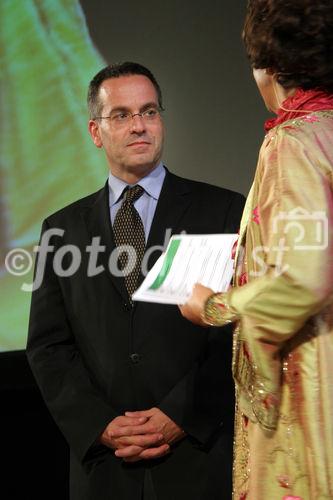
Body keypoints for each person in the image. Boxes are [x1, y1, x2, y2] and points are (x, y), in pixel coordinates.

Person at [26, 62, 245, 500]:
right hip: (105, 468)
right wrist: (100, 425)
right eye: (121, 115)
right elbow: (49, 346)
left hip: (198, 459)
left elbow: (236, 332)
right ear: (95, 131)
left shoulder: (221, 211)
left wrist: (180, 413)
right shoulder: (61, 229)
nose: (139, 126)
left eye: (149, 111)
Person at [180, 1, 333, 499]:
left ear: (268, 65)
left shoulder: (294, 141)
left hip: (314, 371)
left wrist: (216, 306)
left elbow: (306, 277)